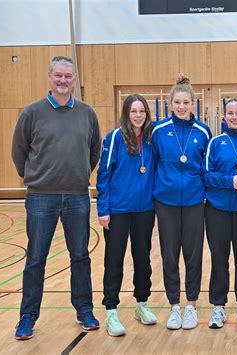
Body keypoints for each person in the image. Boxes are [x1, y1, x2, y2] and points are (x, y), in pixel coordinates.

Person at [11, 56, 101, 340]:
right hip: (41, 198)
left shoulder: (87, 113)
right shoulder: (32, 112)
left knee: (81, 256)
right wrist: (35, 177)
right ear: (49, 77)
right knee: (36, 258)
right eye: (58, 76)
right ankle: (27, 316)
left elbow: (94, 150)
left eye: (68, 76)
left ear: (75, 79)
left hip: (77, 196)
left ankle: (84, 309)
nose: (63, 81)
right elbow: (19, 151)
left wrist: (81, 172)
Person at [152, 74, 212, 330]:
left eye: (186, 102)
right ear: (170, 103)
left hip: (195, 202)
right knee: (169, 255)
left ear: (192, 104)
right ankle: (174, 306)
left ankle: (191, 305)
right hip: (165, 202)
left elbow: (207, 167)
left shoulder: (203, 131)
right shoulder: (158, 131)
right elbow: (152, 163)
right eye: (177, 102)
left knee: (193, 254)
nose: (181, 106)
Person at [96, 94, 157, 336]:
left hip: (144, 210)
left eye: (142, 111)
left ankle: (141, 304)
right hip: (118, 211)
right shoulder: (114, 138)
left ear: (147, 113)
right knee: (114, 261)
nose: (138, 115)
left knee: (143, 260)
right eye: (134, 111)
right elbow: (103, 174)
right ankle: (111, 311)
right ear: (126, 113)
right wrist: (103, 209)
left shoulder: (152, 139)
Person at [204, 98, 237, 329]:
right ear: (224, 116)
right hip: (216, 210)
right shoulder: (215, 143)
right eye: (230, 113)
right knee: (219, 258)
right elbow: (205, 175)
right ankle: (218, 306)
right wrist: (231, 182)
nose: (234, 117)